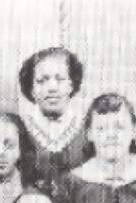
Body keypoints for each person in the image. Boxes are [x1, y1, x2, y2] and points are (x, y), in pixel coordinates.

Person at [16, 47, 89, 179]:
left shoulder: (88, 128)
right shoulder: (20, 130)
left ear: (71, 84)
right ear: (31, 88)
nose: (52, 88)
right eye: (41, 81)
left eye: (60, 79)